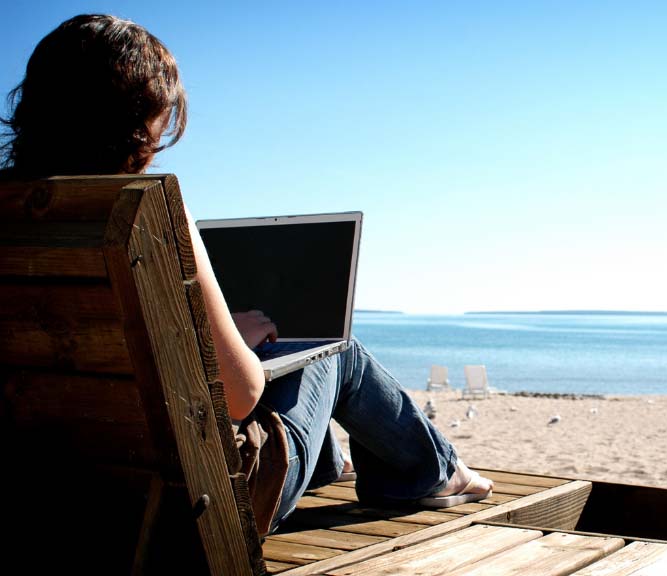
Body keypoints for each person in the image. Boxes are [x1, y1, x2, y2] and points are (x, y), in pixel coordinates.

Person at [0, 14, 492, 535]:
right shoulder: (150, 212)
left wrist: (217, 330)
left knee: (290, 353)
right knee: (335, 348)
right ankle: (430, 473)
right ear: (142, 121)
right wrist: (236, 343)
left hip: (53, 492)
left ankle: (328, 466)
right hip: (206, 501)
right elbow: (239, 396)